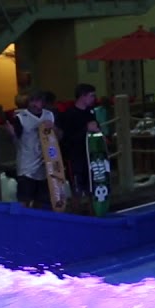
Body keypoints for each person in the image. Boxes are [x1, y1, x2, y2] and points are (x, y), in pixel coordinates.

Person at [7, 91, 56, 208]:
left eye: (38, 101)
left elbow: (60, 137)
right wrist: (11, 134)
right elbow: (15, 140)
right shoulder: (20, 118)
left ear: (43, 102)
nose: (36, 104)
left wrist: (54, 127)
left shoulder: (50, 115)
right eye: (33, 101)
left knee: (42, 202)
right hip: (26, 166)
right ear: (28, 103)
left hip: (46, 166)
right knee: (24, 201)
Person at [57, 83, 101, 213]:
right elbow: (67, 138)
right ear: (82, 96)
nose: (94, 98)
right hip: (75, 157)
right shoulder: (69, 114)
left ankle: (93, 213)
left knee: (91, 188)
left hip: (90, 155)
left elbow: (95, 130)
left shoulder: (90, 112)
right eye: (91, 96)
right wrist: (85, 129)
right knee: (77, 189)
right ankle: (76, 215)